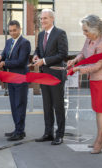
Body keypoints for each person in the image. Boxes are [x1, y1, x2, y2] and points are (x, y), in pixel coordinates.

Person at [67, 15, 102, 154]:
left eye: (86, 31)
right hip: (94, 80)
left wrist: (79, 69)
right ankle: (100, 139)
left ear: (95, 30)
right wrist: (75, 60)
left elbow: (98, 65)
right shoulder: (89, 39)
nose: (84, 33)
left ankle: (100, 140)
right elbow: (82, 53)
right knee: (97, 109)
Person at [33, 9, 68, 145]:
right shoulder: (41, 35)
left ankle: (59, 135)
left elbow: (63, 54)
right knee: (47, 106)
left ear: (52, 19)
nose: (42, 21)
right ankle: (48, 133)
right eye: (41, 19)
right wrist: (36, 55)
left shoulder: (60, 33)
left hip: (56, 75)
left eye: (45, 18)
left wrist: (45, 61)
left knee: (58, 106)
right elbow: (38, 50)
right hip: (43, 75)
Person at [0, 20, 31, 141]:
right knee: (13, 105)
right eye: (10, 31)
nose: (12, 33)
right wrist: (1, 56)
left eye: (14, 30)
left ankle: (20, 132)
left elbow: (21, 61)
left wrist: (5, 63)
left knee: (20, 105)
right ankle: (18, 129)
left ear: (20, 29)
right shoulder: (9, 41)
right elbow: (5, 53)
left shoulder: (25, 43)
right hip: (11, 78)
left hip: (20, 78)